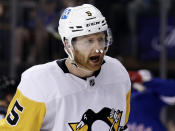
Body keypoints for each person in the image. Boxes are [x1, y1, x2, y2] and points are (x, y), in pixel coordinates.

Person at [0, 4, 131, 131]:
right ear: (68, 45)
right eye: (88, 41)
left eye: (101, 39)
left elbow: (121, 124)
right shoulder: (39, 82)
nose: (97, 48)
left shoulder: (118, 72)